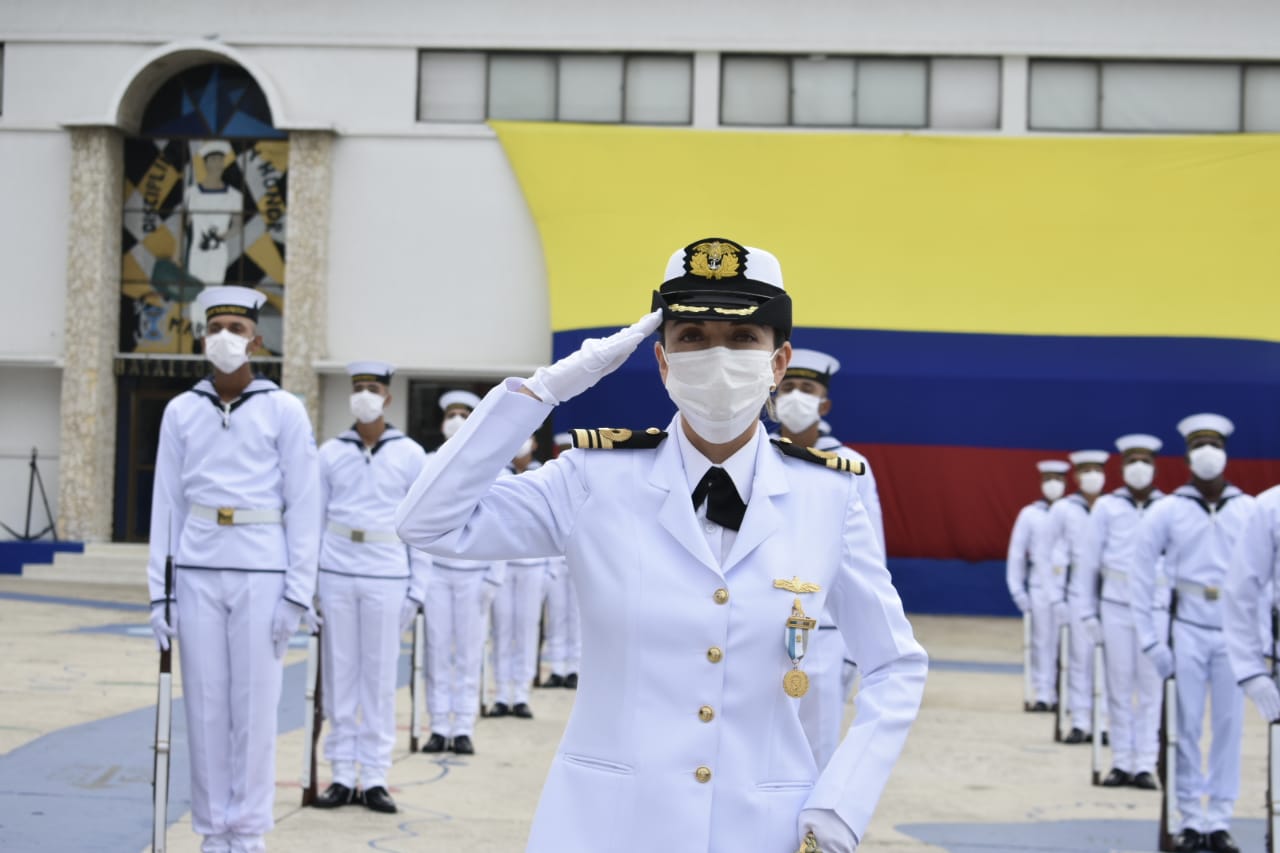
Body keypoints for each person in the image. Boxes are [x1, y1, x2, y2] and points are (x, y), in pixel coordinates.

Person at [395, 237, 927, 853]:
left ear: (777, 364)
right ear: (662, 359)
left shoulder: (829, 497)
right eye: (692, 337)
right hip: (605, 822)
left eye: (742, 339)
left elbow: (894, 665)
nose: (717, 356)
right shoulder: (593, 478)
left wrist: (842, 803)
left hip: (767, 827)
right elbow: (427, 522)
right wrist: (547, 390)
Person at [146, 285, 320, 853]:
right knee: (203, 704)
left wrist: (298, 591)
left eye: (236, 329)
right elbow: (165, 504)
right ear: (202, 338)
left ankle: (247, 832)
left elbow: (305, 504)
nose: (225, 337)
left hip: (261, 571)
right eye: (216, 327)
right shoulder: (181, 410)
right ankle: (211, 830)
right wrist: (159, 594)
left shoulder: (284, 409)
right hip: (196, 566)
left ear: (256, 340)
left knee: (254, 705)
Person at [1130, 413, 1254, 853]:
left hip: (1233, 632)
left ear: (1225, 454)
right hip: (1185, 629)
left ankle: (1219, 819)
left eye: (1214, 445)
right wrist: (1150, 639)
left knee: (1228, 727)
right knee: (1182, 728)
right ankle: (1187, 819)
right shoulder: (1169, 510)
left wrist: (1257, 637)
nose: (1207, 453)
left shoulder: (1247, 508)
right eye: (1199, 446)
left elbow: (1265, 576)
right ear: (1186, 457)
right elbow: (1141, 574)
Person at [311, 362, 429, 813]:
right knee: (340, 676)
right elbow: (313, 521)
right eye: (358, 387)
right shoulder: (330, 452)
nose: (364, 394)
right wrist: (310, 584)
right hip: (337, 570)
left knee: (378, 678)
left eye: (372, 388)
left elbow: (423, 526)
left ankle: (375, 775)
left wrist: (418, 587)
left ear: (388, 397)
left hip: (387, 572)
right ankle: (341, 773)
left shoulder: (410, 453)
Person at [772, 347, 885, 770]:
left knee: (817, 753)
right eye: (788, 388)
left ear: (825, 403)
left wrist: (859, 647)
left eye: (807, 388)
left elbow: (869, 559)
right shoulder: (751, 456)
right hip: (758, 620)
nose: (796, 396)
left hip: (826, 631)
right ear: (772, 395)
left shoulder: (851, 465)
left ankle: (808, 839)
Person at [1069, 434, 1165, 788]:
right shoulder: (1108, 507)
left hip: (1155, 609)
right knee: (1118, 685)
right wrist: (1087, 613)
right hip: (1115, 605)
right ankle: (1122, 761)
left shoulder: (1166, 507)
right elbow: (1088, 565)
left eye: (1145, 462)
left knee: (1151, 689)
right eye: (1132, 462)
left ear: (1155, 467)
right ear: (1123, 468)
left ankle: (1146, 763)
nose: (1139, 468)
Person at [421, 390, 505, 754]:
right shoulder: (425, 461)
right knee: (437, 651)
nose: (455, 419)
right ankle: (439, 725)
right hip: (436, 571)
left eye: (463, 413)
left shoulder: (491, 464)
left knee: (470, 652)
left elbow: (502, 524)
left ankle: (463, 726)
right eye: (450, 413)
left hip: (474, 571)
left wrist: (493, 576)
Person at [1036, 449, 1108, 743]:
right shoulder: (1064, 509)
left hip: (1108, 590)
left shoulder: (1110, 506)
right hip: (1075, 589)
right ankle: (1080, 720)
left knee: (1108, 663)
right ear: (1077, 476)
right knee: (1079, 658)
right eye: (1086, 470)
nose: (1092, 476)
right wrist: (1053, 595)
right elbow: (1043, 551)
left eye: (1097, 470)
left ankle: (1103, 721)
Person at [489, 435, 548, 718]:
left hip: (533, 567)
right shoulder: (497, 474)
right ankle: (501, 693)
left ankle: (521, 694)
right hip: (503, 565)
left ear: (534, 445)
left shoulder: (544, 473)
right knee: (502, 631)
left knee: (526, 630)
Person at [1007, 459, 1070, 711]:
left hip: (1069, 587)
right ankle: (1044, 693)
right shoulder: (1030, 514)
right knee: (1042, 640)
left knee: (1072, 644)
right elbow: (1016, 554)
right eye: (1048, 479)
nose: (1053, 484)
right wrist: (1017, 589)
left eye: (1058, 478)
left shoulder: (1072, 512)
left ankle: (1067, 694)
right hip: (1039, 588)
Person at [538, 432, 581, 689]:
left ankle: (574, 667)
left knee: (577, 616)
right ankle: (556, 667)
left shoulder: (587, 481)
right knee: (556, 617)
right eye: (561, 448)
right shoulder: (550, 479)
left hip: (578, 558)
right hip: (554, 559)